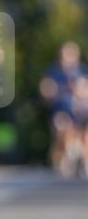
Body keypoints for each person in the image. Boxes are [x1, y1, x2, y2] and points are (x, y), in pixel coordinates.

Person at [40, 42, 87, 176]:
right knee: (63, 126)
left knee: (85, 133)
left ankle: (83, 161)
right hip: (62, 110)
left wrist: (81, 91)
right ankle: (66, 157)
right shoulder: (54, 72)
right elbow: (45, 89)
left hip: (81, 111)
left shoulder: (82, 71)